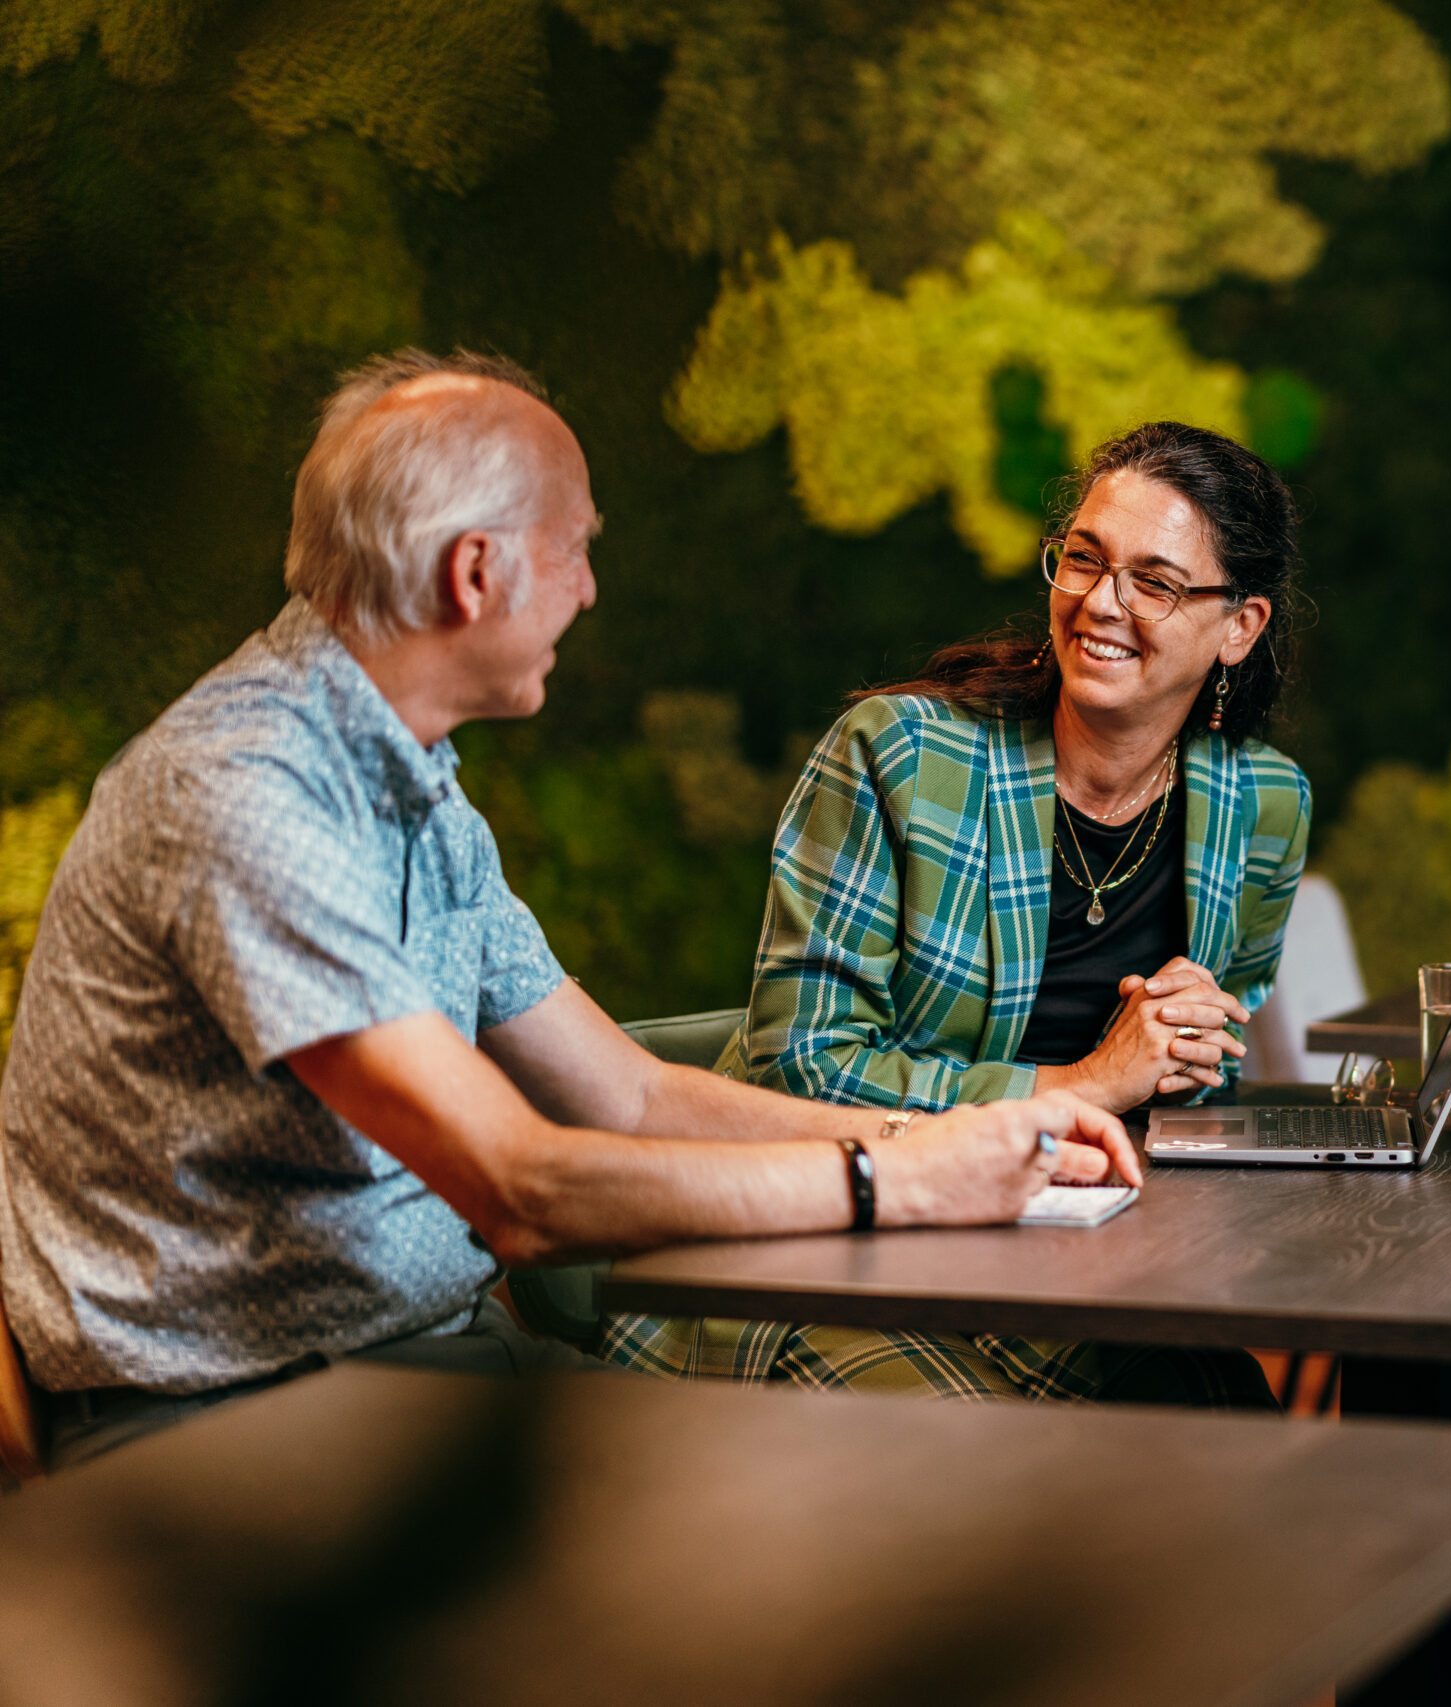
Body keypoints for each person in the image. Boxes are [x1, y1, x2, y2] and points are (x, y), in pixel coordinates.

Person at [0, 350, 1137, 1468]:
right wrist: (904, 1183)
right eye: (577, 547)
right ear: (476, 572)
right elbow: (520, 1192)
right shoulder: (241, 795)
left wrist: (950, 1140)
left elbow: (632, 1097)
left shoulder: (421, 795)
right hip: (239, 1425)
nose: (589, 587)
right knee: (820, 1532)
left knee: (874, 1481)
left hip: (436, 1363)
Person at [600, 421, 1309, 1404]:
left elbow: (1190, 1089)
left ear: (1239, 625)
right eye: (1084, 561)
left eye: (1154, 581)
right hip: (824, 1248)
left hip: (1065, 1258)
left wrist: (1191, 1049)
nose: (1101, 603)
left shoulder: (1262, 807)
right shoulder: (899, 756)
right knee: (991, 1471)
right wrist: (1083, 1083)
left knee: (1229, 1426)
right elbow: (800, 1063)